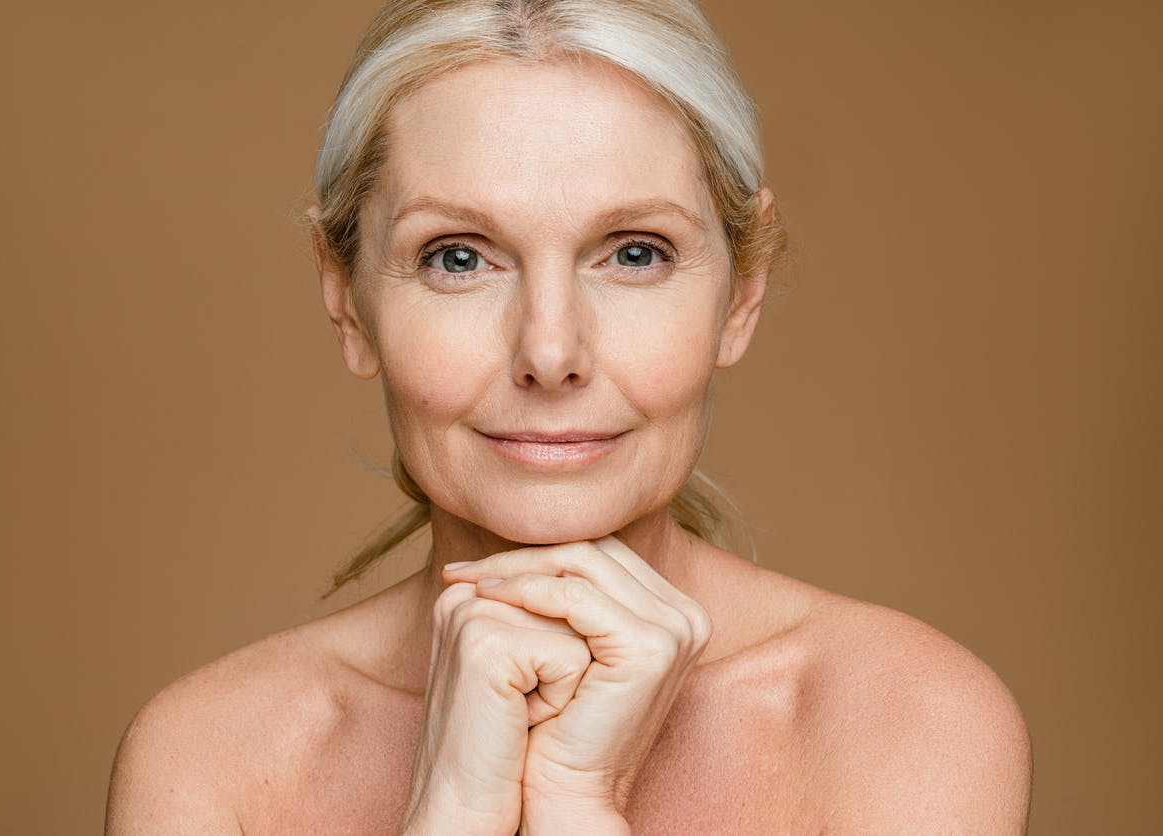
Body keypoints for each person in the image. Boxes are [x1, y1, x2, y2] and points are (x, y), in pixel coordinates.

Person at [105, 0, 1033, 832]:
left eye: (634, 253)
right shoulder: (209, 763)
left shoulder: (906, 722)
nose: (550, 354)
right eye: (458, 257)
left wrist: (574, 804)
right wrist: (450, 815)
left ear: (743, 291)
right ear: (346, 298)